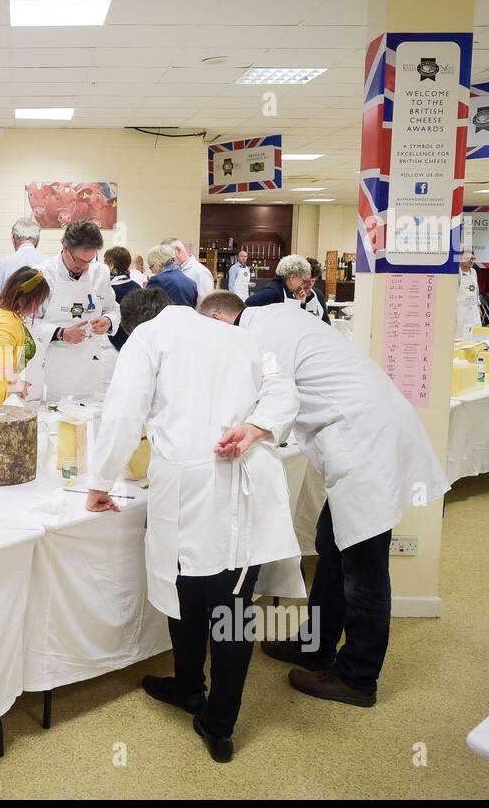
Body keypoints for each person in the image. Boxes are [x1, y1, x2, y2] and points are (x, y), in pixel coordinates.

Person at [199, 291, 451, 707]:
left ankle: (358, 677)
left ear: (219, 321)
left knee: (364, 567)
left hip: (364, 440)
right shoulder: (270, 318)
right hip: (366, 430)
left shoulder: (258, 336)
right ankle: (315, 645)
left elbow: (268, 399)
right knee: (331, 546)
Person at [87, 287, 301, 762]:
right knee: (233, 601)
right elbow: (285, 390)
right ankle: (216, 719)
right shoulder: (239, 337)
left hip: (187, 482)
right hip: (242, 474)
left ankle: (192, 689)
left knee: (182, 587)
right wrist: (256, 426)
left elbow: (124, 412)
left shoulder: (148, 336)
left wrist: (100, 480)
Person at [31, 221, 119, 403]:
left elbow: (113, 308)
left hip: (90, 367)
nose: (85, 266)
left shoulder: (100, 273)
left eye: (90, 260)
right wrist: (60, 333)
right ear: (65, 248)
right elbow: (27, 322)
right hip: (55, 368)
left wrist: (108, 320)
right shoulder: (43, 274)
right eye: (80, 261)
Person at [0, 267, 51, 405]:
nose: (36, 309)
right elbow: (0, 351)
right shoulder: (8, 321)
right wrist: (16, 381)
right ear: (24, 298)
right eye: (37, 303)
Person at [0, 218, 44, 301]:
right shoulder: (51, 264)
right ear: (38, 240)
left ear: (13, 239)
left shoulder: (0, 265)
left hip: (7, 313)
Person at [104, 247, 139, 350]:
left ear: (111, 266)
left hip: (112, 345)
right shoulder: (137, 287)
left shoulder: (109, 290)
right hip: (133, 342)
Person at [246, 253, 311, 309]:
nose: (302, 285)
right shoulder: (272, 292)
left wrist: (300, 302)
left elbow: (294, 316)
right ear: (292, 277)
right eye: (303, 281)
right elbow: (247, 304)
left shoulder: (289, 291)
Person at [144, 243, 199, 307]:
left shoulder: (157, 281)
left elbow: (145, 306)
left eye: (151, 267)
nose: (152, 271)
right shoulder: (191, 283)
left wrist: (145, 290)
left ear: (160, 264)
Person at [454, 251, 481, 339]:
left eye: (473, 259)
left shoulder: (473, 272)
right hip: (460, 310)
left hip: (473, 310)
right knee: (459, 336)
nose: (471, 261)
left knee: (474, 336)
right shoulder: (455, 272)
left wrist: (478, 306)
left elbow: (476, 290)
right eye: (468, 258)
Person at [302, 258, 331, 325]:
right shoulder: (291, 294)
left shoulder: (318, 294)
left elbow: (326, 320)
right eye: (307, 281)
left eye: (313, 281)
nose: (310, 284)